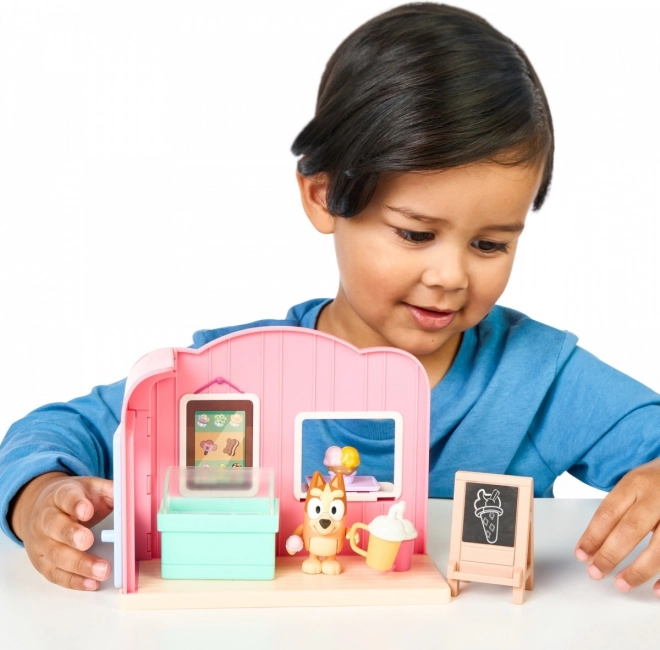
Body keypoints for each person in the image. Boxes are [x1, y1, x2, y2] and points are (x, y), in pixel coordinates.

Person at [1, 2, 659, 597]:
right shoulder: (229, 372)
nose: (451, 275)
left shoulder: (539, 379)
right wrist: (40, 498)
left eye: (490, 244)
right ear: (324, 196)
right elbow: (59, 429)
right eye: (415, 233)